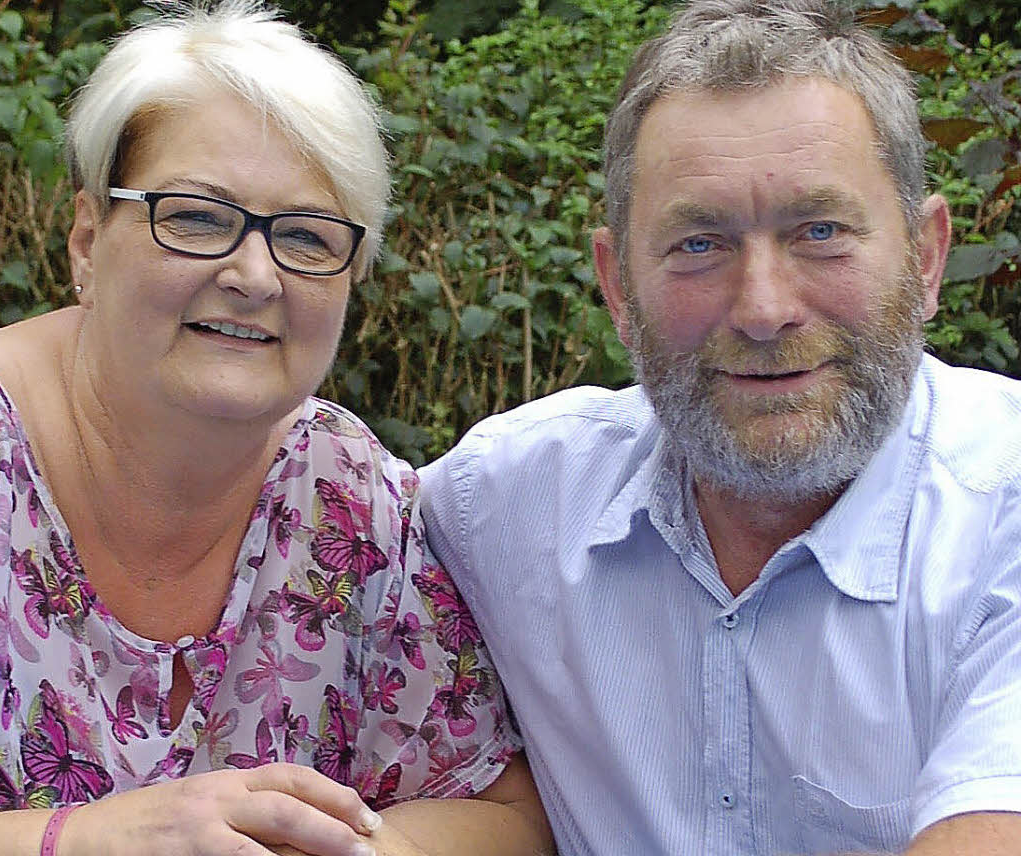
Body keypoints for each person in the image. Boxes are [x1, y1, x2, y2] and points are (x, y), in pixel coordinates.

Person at [420, 0, 1021, 853]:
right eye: (700, 244)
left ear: (926, 258)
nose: (765, 309)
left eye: (821, 231)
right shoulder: (502, 504)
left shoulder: (1003, 514)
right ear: (618, 285)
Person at [0, 3, 555, 856]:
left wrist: (371, 852)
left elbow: (504, 815)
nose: (255, 274)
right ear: (84, 240)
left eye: (305, 236)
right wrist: (82, 840)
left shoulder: (344, 491)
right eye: (194, 217)